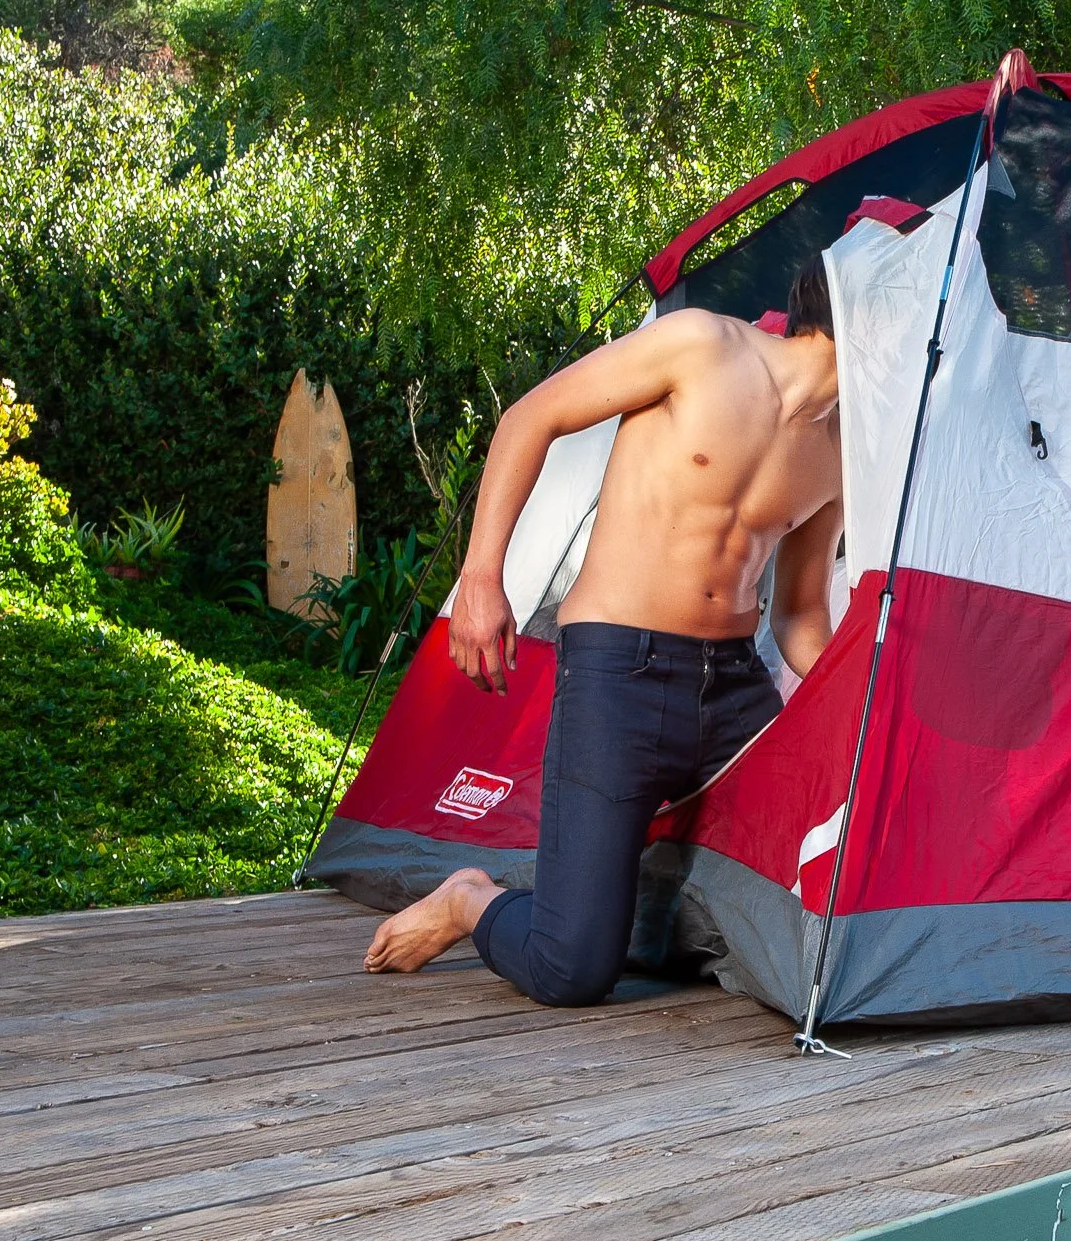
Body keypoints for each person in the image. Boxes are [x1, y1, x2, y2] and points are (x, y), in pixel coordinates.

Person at [362, 257, 845, 1006]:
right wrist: (482, 575)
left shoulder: (844, 445)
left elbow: (800, 614)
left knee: (809, 890)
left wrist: (853, 710)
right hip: (621, 679)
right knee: (573, 967)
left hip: (736, 695)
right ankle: (470, 899)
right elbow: (533, 416)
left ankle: (620, 894)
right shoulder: (702, 346)